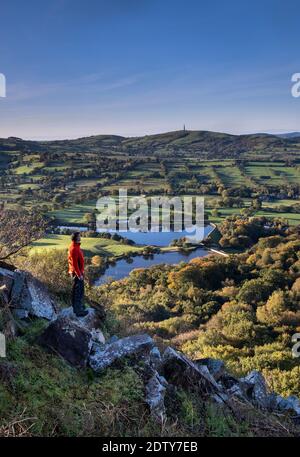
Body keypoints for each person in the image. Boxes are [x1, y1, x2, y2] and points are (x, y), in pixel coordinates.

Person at [68, 232, 88, 317]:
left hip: (78, 272)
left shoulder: (76, 246)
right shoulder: (74, 249)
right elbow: (75, 264)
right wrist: (79, 275)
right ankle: (78, 311)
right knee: (78, 292)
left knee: (79, 291)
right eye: (79, 237)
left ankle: (78, 306)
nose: (80, 238)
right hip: (77, 273)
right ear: (75, 238)